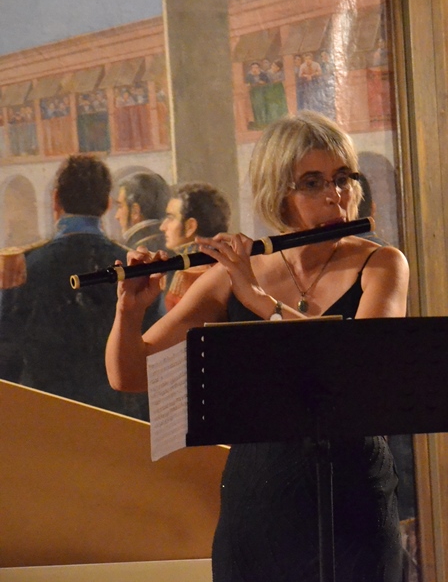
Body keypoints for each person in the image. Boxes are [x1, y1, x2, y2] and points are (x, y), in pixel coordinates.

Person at [105, 110, 409, 581]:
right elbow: (131, 375)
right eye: (312, 182)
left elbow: (360, 360)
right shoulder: (232, 277)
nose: (336, 194)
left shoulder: (382, 264)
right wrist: (130, 310)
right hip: (261, 496)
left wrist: (261, 303)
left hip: (354, 492)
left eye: (343, 178)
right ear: (278, 194)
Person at [0, 155, 153, 419]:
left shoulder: (21, 267)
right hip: (120, 419)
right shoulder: (133, 270)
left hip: (44, 418)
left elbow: (6, 351)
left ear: (55, 200)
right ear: (106, 205)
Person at [159, 182, 232, 311]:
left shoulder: (186, 276)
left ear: (190, 226)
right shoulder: (231, 265)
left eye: (170, 218)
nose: (163, 227)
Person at [115, 171, 171, 253]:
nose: (117, 216)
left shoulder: (132, 252)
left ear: (135, 211)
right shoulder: (173, 245)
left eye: (120, 207)